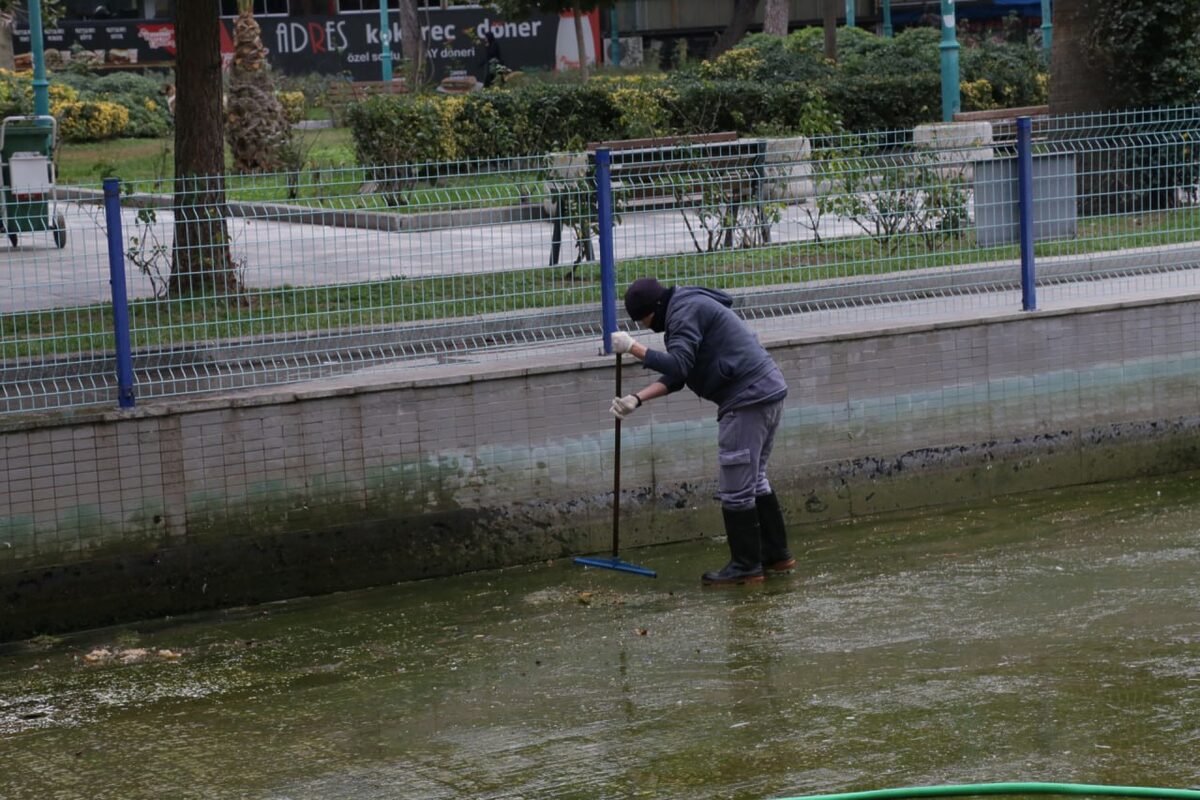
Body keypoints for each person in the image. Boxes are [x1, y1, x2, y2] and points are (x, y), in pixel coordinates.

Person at [610, 277, 794, 586]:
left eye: (642, 319)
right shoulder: (686, 305)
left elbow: (679, 365)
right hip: (766, 390)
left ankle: (745, 567)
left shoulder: (683, 314)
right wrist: (636, 399)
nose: (644, 325)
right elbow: (680, 375)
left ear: (653, 308)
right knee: (755, 478)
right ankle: (776, 555)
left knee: (736, 486)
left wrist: (634, 348)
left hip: (746, 398)